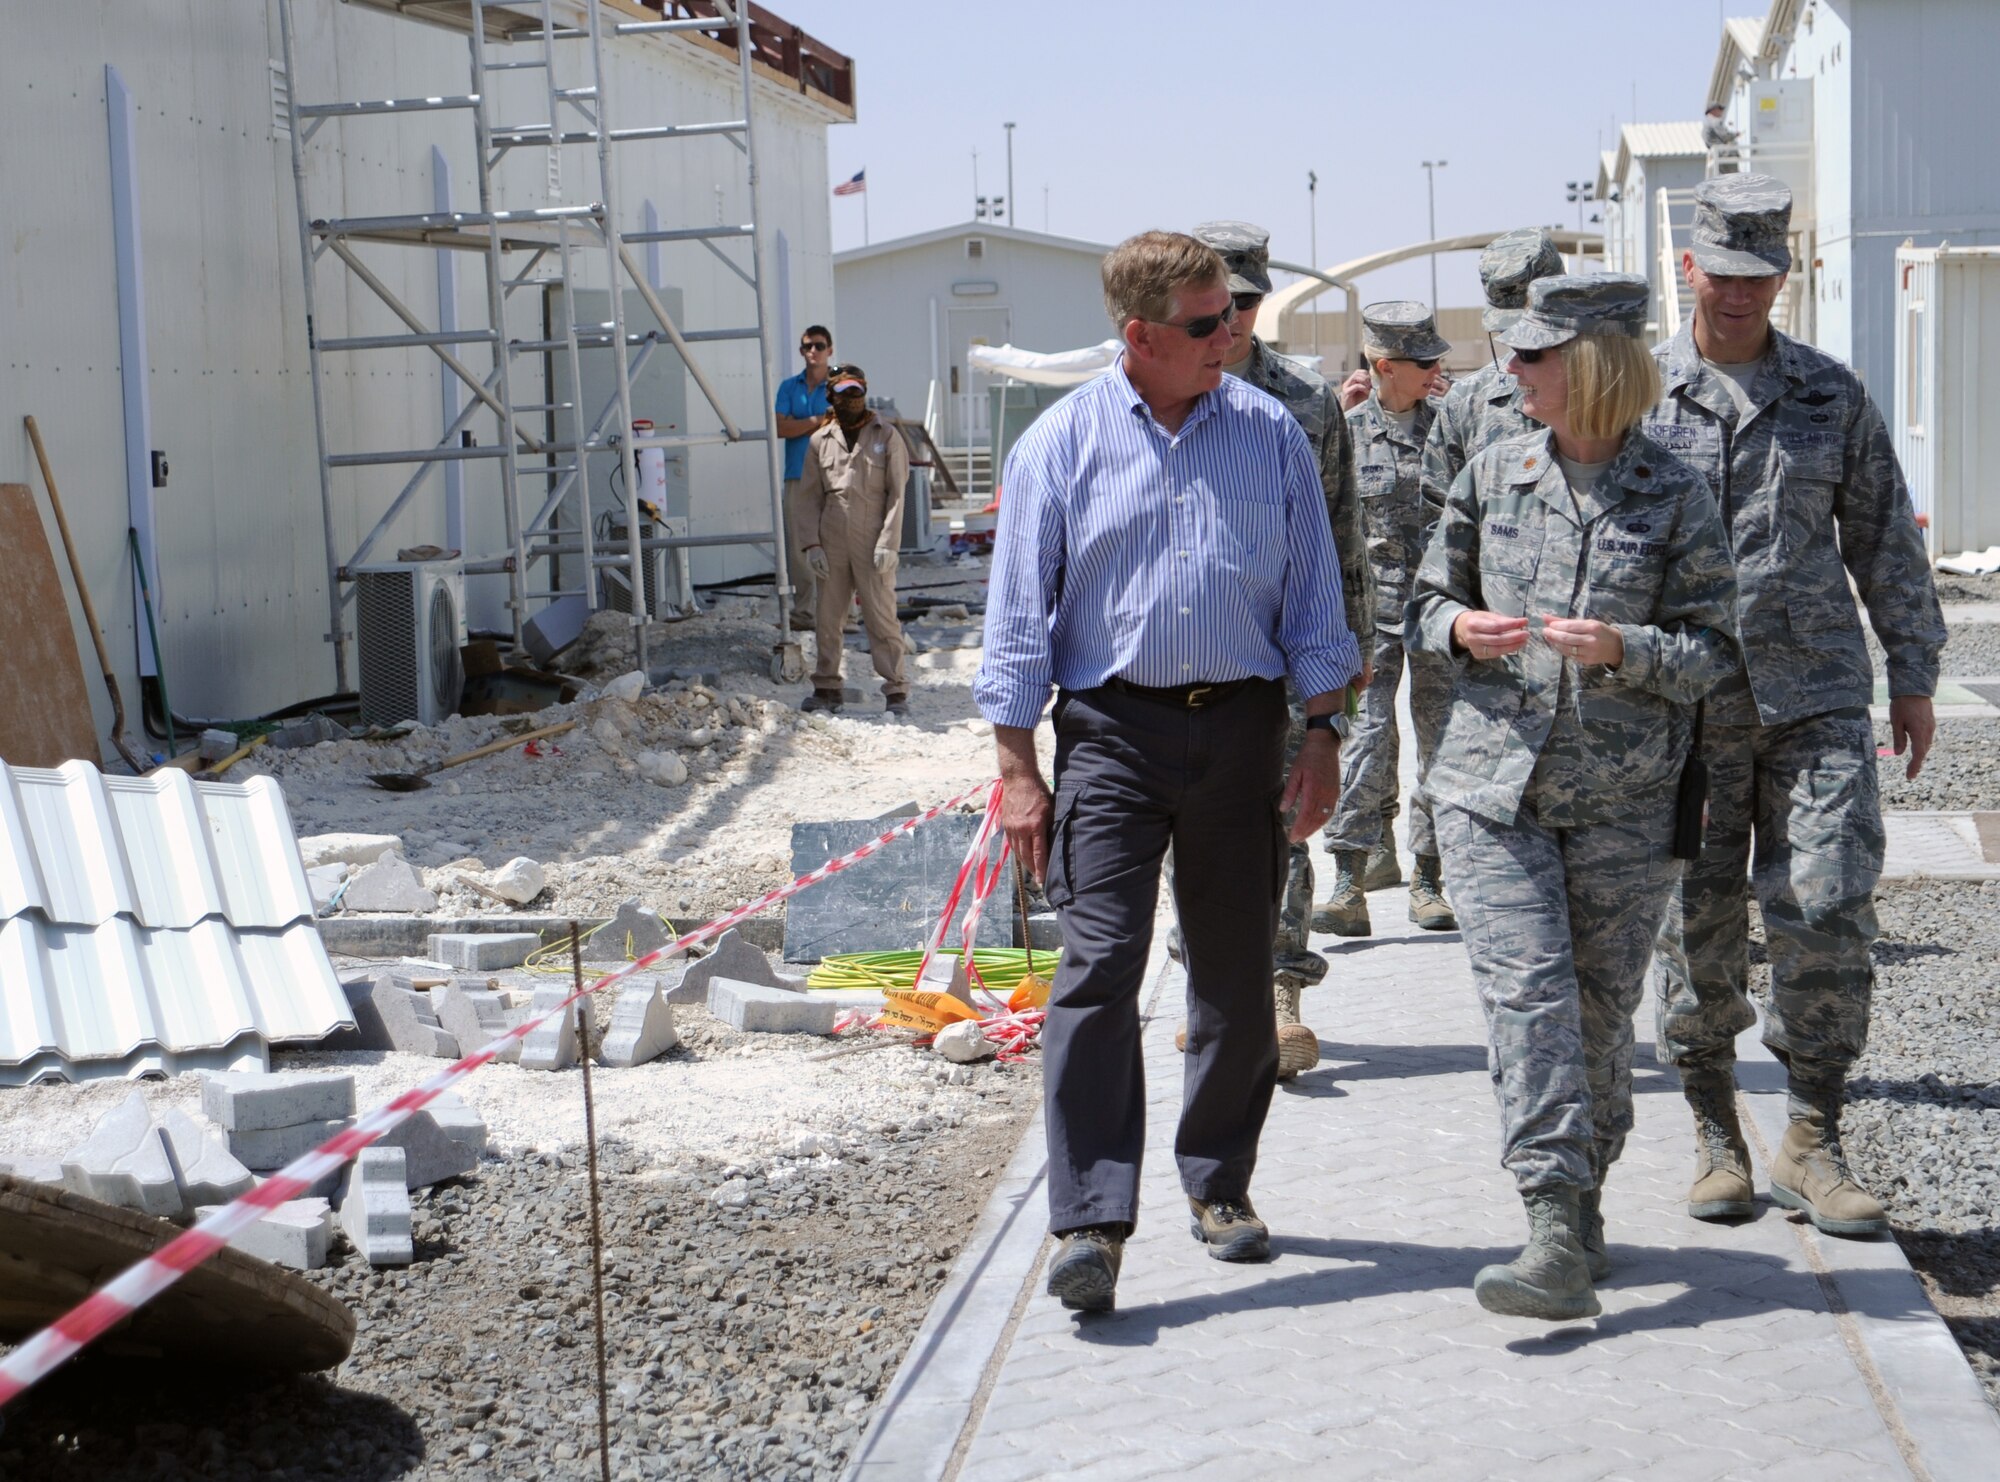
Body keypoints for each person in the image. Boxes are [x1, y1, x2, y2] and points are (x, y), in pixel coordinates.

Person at [976, 230, 1361, 1312]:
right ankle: (1090, 1222)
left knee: (1234, 971)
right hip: (1110, 737)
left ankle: (1219, 1184)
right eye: (1206, 321)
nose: (1230, 333)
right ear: (1139, 335)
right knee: (1098, 967)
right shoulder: (1058, 446)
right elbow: (1015, 622)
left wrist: (1323, 733)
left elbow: (1314, 598)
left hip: (1242, 734)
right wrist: (1017, 769)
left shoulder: (1271, 435)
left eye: (1232, 313)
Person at [1410, 272, 1740, 1319]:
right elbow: (1422, 600)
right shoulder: (1491, 471)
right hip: (1490, 789)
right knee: (1528, 998)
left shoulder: (1675, 493)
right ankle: (1549, 1219)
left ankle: (1584, 1200)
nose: (1512, 369)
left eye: (1534, 354)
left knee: (1599, 1014)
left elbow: (1714, 651)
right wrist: (1457, 627)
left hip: (1623, 801)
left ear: (1589, 364)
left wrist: (1624, 648)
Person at [1646, 175, 1946, 1235]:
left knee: (1825, 905)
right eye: (1722, 275)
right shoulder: (1635, 397)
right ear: (1690, 267)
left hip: (1814, 700)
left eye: (1760, 276)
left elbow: (1882, 535)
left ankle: (1812, 1136)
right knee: (1695, 925)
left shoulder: (1828, 393)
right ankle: (1714, 1134)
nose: (1740, 295)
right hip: (1682, 713)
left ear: (1784, 275)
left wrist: (1912, 671)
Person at [1181, 218, 1376, 1077]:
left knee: (1288, 816)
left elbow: (1342, 530)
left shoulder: (1304, 399)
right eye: (1218, 303)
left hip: (1288, 649)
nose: (1232, 321)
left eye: (1247, 303)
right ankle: (1208, 986)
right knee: (1191, 825)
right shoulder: (1158, 391)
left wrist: (1355, 642)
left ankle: (1280, 988)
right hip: (1189, 655)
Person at [1318, 303, 1456, 938]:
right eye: (1421, 360)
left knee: (1440, 743)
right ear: (1383, 366)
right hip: (1368, 620)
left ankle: (1429, 880)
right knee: (1366, 741)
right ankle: (1349, 880)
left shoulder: (1449, 429)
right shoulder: (1344, 433)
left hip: (1436, 613)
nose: (1435, 369)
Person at [796, 364, 912, 716]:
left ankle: (896, 691)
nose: (851, 399)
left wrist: (889, 542)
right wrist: (812, 544)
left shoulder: (886, 436)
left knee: (881, 615)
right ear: (831, 396)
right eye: (844, 393)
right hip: (832, 536)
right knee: (828, 616)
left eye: (856, 391)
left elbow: (897, 494)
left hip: (872, 536)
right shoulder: (820, 441)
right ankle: (827, 687)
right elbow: (809, 498)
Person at [1422, 229, 1565, 501]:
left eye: (1532, 329)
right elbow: (1438, 509)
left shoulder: (1615, 391)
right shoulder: (1466, 402)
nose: (1519, 341)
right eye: (1509, 331)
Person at [775, 325, 835, 630]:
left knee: (837, 543)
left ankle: (842, 614)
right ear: (801, 351)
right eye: (808, 346)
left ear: (830, 350)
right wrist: (818, 420)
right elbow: (780, 428)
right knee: (799, 546)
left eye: (819, 346)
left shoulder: (839, 385)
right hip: (797, 473)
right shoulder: (788, 387)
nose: (813, 351)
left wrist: (799, 423)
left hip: (834, 474)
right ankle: (804, 613)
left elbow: (842, 426)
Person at [1702, 103, 1740, 174]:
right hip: (1721, 151)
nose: (1722, 111)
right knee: (1732, 150)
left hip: (1715, 152)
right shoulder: (1715, 121)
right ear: (1713, 110)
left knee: (1724, 175)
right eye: (1720, 109)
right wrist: (1735, 135)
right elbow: (1725, 136)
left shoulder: (1707, 122)